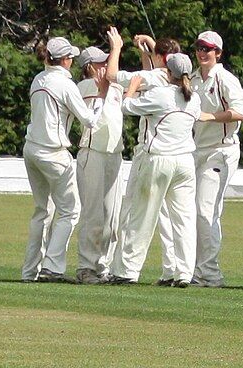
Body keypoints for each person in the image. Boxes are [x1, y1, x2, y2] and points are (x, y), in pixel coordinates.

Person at [108, 53, 212, 287]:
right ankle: (184, 273)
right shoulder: (193, 98)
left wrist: (133, 86)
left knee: (142, 216)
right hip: (185, 162)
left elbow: (125, 107)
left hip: (160, 160)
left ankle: (128, 271)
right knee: (184, 220)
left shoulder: (160, 95)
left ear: (168, 71)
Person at [22, 37, 107, 283]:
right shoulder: (65, 84)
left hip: (31, 149)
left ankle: (30, 271)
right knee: (71, 211)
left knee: (42, 211)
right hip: (53, 152)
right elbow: (89, 121)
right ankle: (52, 268)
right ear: (66, 59)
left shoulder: (38, 78)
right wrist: (100, 98)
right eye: (71, 57)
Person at [104, 27, 180, 285]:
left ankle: (124, 271)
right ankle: (175, 271)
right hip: (179, 155)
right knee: (171, 217)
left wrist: (116, 48)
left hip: (151, 152)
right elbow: (153, 73)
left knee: (134, 213)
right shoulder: (179, 79)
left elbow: (113, 75)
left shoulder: (155, 78)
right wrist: (148, 48)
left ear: (161, 58)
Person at [189, 31, 243, 287]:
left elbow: (241, 113)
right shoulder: (191, 78)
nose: (203, 52)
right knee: (192, 212)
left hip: (221, 150)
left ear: (218, 53)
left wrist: (210, 116)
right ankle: (195, 271)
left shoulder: (225, 78)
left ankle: (210, 274)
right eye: (200, 47)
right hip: (196, 150)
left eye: (208, 49)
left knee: (207, 211)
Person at [74, 46, 125, 284]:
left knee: (112, 219)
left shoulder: (115, 86)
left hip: (114, 153)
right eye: (101, 62)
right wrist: (116, 48)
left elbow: (148, 79)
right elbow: (96, 102)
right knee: (93, 214)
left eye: (108, 61)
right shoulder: (84, 87)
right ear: (89, 66)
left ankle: (103, 265)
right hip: (92, 153)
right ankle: (86, 267)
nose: (107, 66)